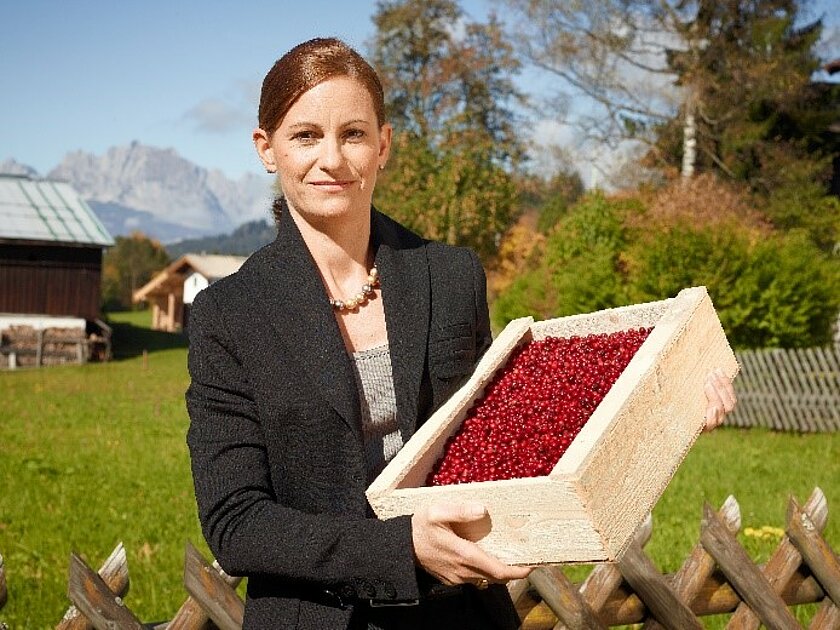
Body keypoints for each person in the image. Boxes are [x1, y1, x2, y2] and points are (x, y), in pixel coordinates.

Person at [185, 37, 736, 630]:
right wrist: (401, 549)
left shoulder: (450, 276)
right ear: (266, 149)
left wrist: (666, 409)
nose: (333, 159)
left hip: (463, 617)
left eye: (353, 133)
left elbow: (516, 436)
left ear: (384, 144)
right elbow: (236, 522)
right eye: (305, 136)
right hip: (315, 619)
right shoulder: (229, 314)